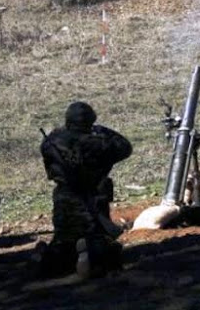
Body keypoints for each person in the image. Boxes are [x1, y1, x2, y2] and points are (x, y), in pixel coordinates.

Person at [37, 101, 132, 279]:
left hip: (64, 197)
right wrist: (100, 130)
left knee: (64, 237)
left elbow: (49, 156)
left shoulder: (53, 141)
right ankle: (92, 256)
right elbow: (125, 147)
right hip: (94, 195)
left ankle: (53, 256)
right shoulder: (99, 142)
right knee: (100, 239)